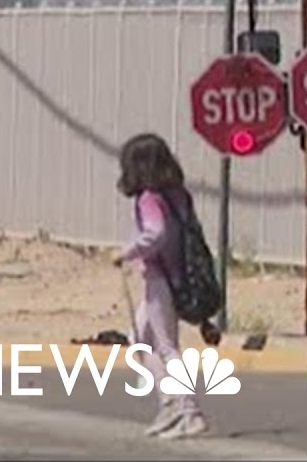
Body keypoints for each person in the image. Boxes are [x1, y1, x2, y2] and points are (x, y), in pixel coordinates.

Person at [114, 132, 209, 439]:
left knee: (165, 346)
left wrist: (127, 253)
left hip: (160, 277)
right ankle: (170, 404)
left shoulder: (149, 200)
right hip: (178, 275)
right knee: (140, 340)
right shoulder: (177, 195)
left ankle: (188, 411)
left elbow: (155, 234)